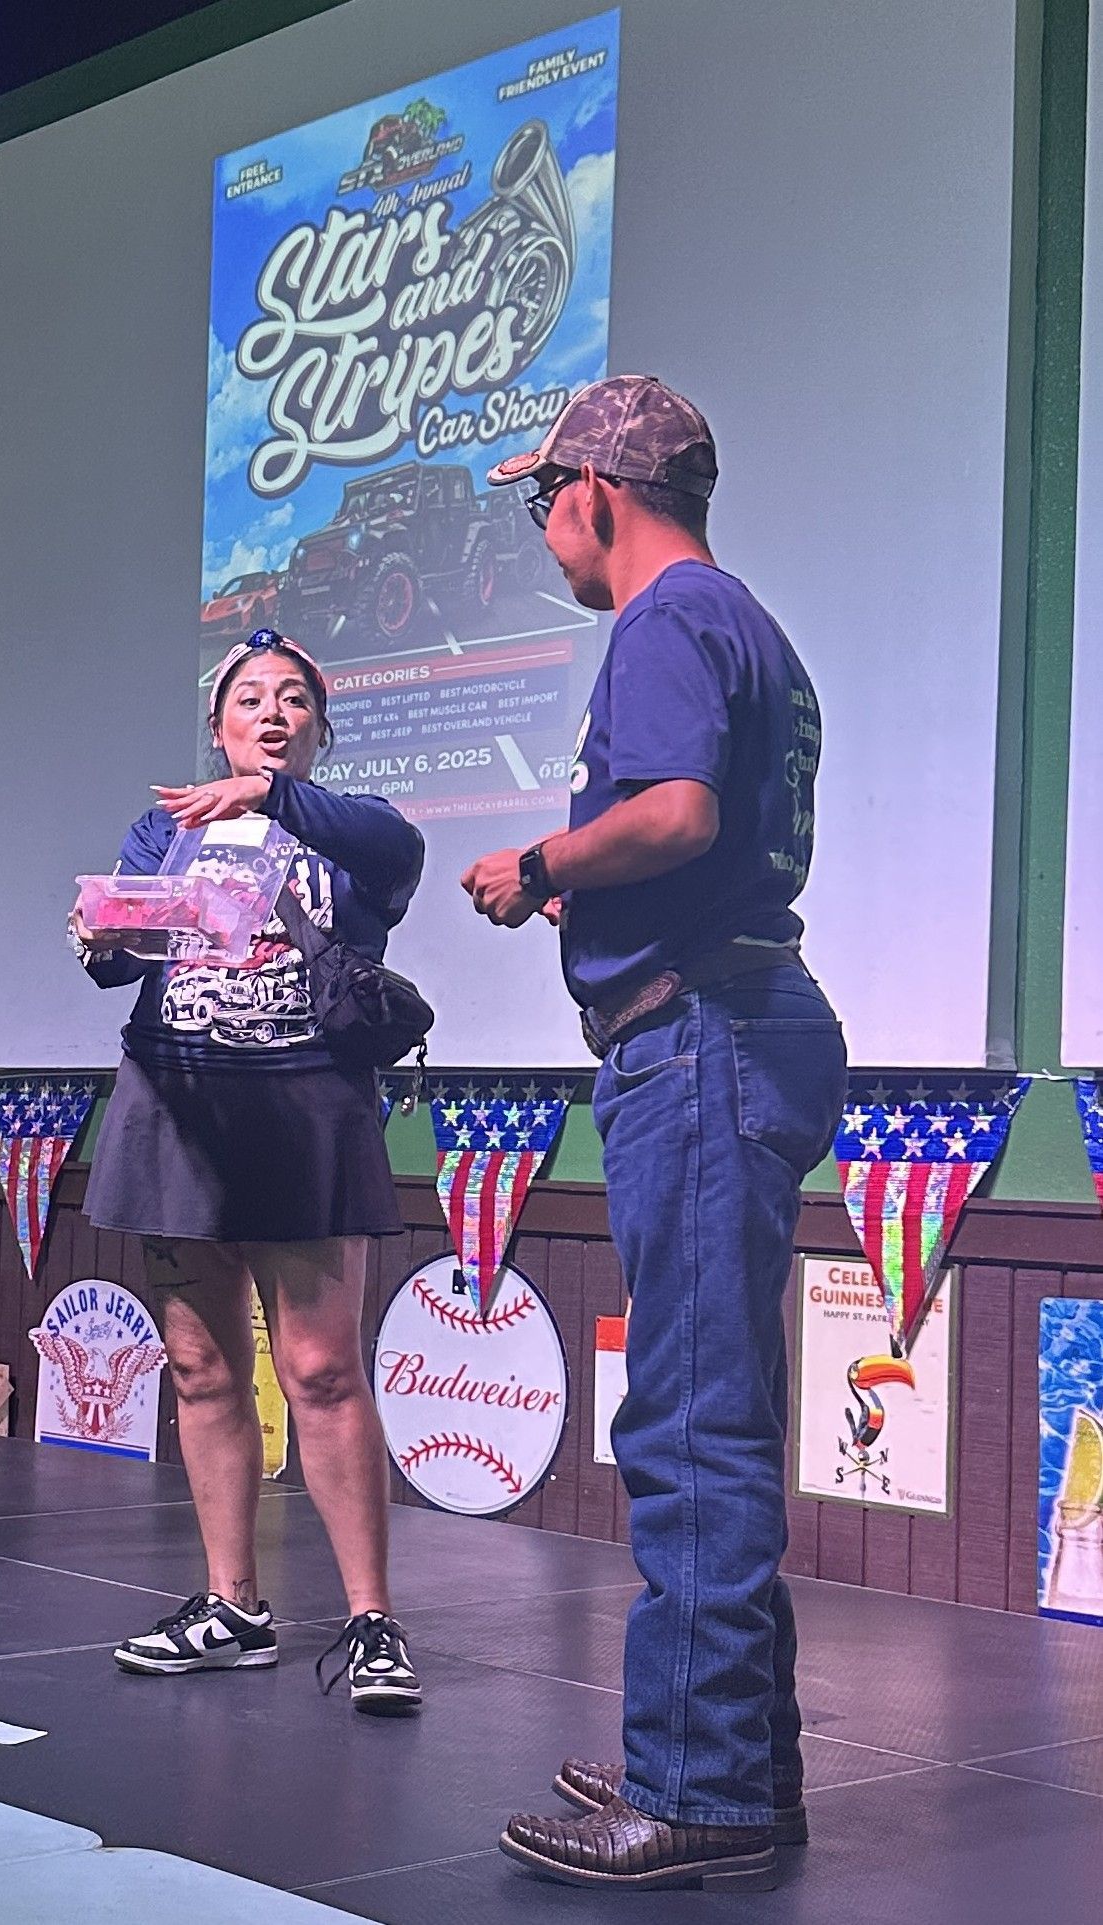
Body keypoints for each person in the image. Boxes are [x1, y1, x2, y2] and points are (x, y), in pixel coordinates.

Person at [462, 377, 847, 1891]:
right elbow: (708, 830)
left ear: (593, 492)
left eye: (536, 499)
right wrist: (595, 887)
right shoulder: (746, 621)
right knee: (715, 1417)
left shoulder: (662, 621)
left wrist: (538, 860)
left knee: (685, 1430)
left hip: (694, 1039)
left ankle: (691, 1790)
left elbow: (678, 813)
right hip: (736, 1018)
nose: (539, 528)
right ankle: (735, 1762)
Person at [73, 627, 426, 1714]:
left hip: (304, 1104)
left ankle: (370, 1619)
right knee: (202, 1367)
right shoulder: (160, 828)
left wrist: (257, 796)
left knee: (321, 1369)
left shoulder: (359, 839)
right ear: (217, 723)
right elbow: (121, 951)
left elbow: (393, 846)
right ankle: (233, 1606)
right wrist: (107, 932)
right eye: (248, 700)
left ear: (316, 730)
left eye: (293, 701)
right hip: (178, 1100)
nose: (271, 712)